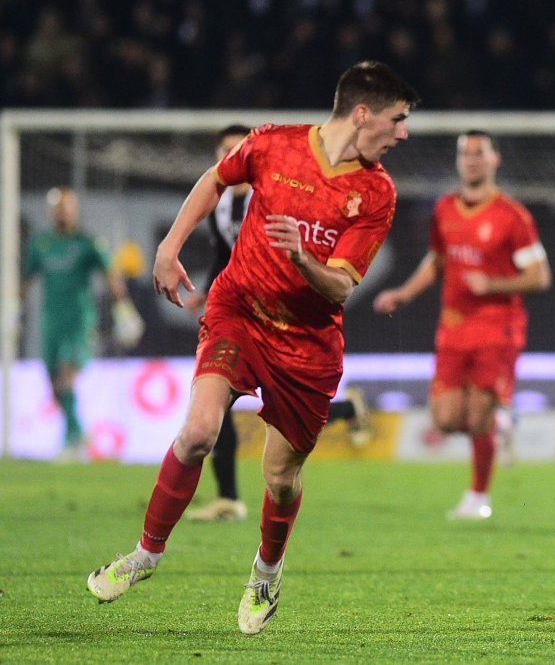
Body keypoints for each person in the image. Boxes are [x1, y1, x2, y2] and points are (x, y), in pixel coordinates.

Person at [86, 60, 419, 635]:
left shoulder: (376, 192)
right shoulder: (272, 143)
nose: (404, 133)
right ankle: (145, 554)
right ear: (363, 114)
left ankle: (266, 571)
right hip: (238, 312)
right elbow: (215, 178)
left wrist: (301, 257)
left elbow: (341, 286)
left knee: (280, 478)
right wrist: (169, 247)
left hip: (307, 345)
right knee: (198, 433)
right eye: (398, 119)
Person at [182, 125, 373, 523]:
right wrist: (207, 291)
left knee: (287, 412)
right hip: (240, 312)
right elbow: (224, 253)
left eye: (238, 149)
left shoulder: (272, 191)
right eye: (225, 151)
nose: (233, 158)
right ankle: (228, 496)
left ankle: (342, 410)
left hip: (288, 320)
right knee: (215, 404)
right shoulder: (219, 203)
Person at [373, 130, 551, 519]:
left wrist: (493, 284)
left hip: (496, 327)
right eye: (465, 154)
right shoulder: (445, 209)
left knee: (477, 418)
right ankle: (502, 418)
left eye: (478, 153)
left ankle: (477, 497)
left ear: (494, 159)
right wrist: (404, 293)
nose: (471, 160)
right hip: (453, 327)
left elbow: (539, 277)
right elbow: (437, 260)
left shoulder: (512, 216)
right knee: (445, 419)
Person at [22, 187, 136, 463]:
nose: (63, 213)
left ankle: (71, 439)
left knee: (66, 375)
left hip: (80, 322)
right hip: (51, 323)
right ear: (51, 212)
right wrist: (14, 308)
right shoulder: (40, 244)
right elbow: (26, 279)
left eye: (67, 208)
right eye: (58, 208)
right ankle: (78, 434)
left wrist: (124, 310)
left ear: (75, 211)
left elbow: (111, 275)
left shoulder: (88, 243)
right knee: (54, 385)